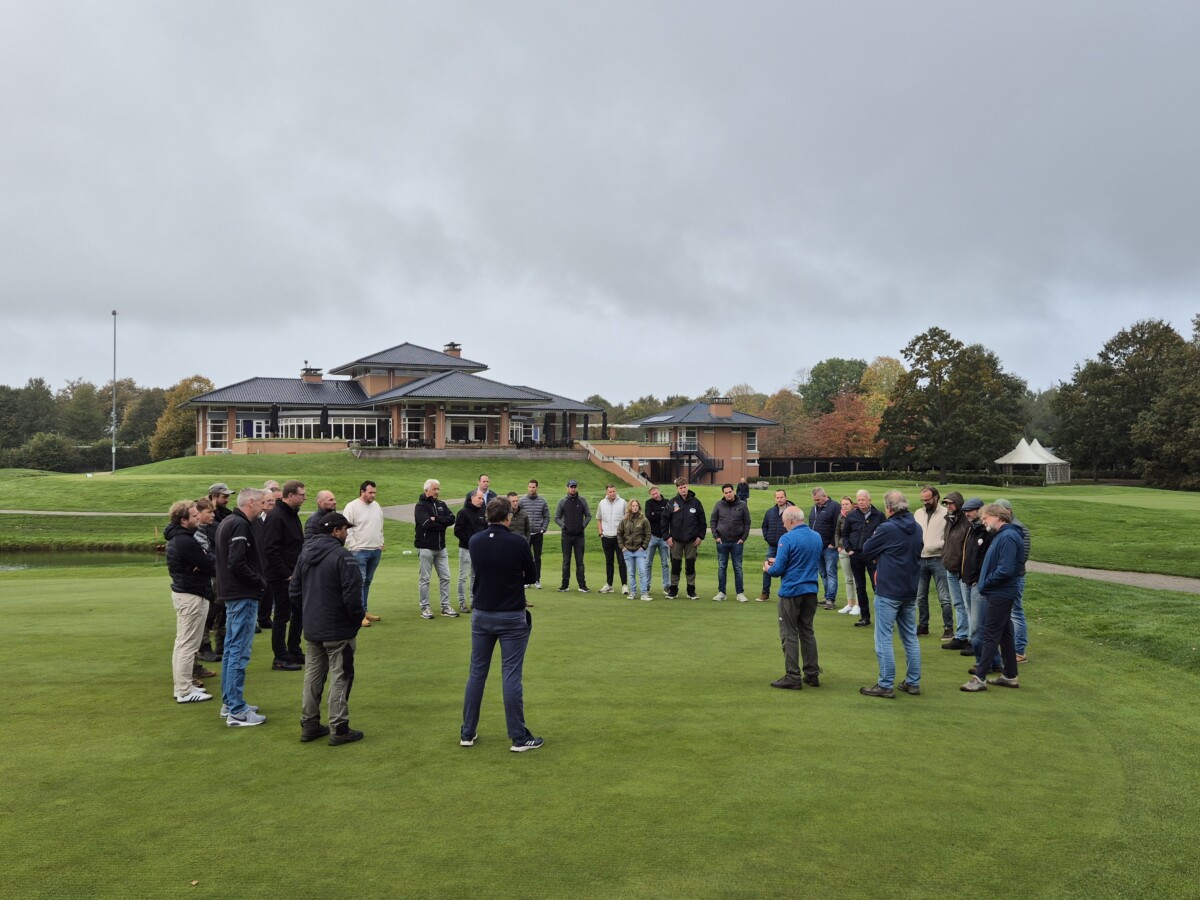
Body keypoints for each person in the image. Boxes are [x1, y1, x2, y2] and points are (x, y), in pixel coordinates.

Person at [460, 497, 543, 752]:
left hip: (482, 614)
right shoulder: (517, 542)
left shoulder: (476, 541)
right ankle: (518, 736)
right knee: (511, 675)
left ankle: (467, 732)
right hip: (510, 615)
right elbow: (532, 574)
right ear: (508, 516)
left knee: (477, 673)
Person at [290, 512, 365, 746]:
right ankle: (339, 727)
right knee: (340, 676)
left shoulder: (305, 555)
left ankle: (309, 724)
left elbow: (294, 591)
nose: (346, 533)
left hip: (313, 627)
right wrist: (355, 620)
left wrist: (307, 615)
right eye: (344, 529)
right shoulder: (343, 556)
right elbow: (352, 597)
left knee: (313, 676)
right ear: (335, 531)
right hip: (338, 629)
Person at [859, 490, 923, 699]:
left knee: (884, 637)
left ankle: (885, 684)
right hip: (910, 587)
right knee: (910, 637)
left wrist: (881, 553)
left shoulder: (887, 528)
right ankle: (913, 682)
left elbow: (867, 549)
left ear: (888, 508)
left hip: (889, 588)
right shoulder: (917, 527)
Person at [214, 487, 268, 726]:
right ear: (251, 503)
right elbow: (236, 562)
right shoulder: (239, 524)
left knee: (231, 649)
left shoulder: (229, 521)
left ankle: (230, 702)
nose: (264, 506)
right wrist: (258, 581)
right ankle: (236, 710)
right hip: (242, 594)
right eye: (262, 502)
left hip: (234, 594)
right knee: (239, 651)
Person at [962, 504, 1024, 692]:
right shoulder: (1003, 535)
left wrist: (985, 582)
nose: (984, 521)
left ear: (998, 516)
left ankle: (979, 677)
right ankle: (1010, 676)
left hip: (1000, 593)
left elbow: (1006, 569)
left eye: (986, 518)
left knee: (990, 634)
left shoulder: (1008, 536)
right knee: (1005, 634)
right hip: (998, 592)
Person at [764, 506, 823, 689]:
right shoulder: (816, 536)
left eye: (784, 522)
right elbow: (805, 559)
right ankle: (812, 674)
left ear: (790, 520)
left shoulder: (787, 538)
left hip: (791, 592)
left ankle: (792, 675)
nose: (783, 525)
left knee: (789, 633)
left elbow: (778, 570)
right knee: (807, 631)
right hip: (811, 590)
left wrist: (768, 568)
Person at [166, 500, 215, 703]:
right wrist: (203, 562)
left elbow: (206, 562)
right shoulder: (185, 541)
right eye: (194, 516)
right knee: (187, 645)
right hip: (191, 595)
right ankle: (185, 690)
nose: (198, 518)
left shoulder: (184, 538)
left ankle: (183, 686)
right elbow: (210, 565)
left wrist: (203, 562)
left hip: (189, 592)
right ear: (183, 520)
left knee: (184, 644)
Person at [264, 480, 306, 671]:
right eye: (301, 495)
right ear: (290, 496)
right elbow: (270, 549)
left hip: (295, 574)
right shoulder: (277, 516)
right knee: (282, 615)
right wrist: (286, 574)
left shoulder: (291, 514)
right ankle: (280, 657)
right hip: (282, 576)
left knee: (298, 612)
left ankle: (294, 650)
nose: (304, 498)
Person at [995, 499, 1032, 662]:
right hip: (1003, 576)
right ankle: (1008, 648)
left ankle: (1019, 651)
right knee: (1006, 613)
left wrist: (1006, 572)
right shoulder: (1002, 527)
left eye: (1000, 511)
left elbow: (1021, 557)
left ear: (1008, 511)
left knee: (1016, 612)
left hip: (1014, 577)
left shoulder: (1019, 527)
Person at [343, 480, 384, 626]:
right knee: (359, 583)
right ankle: (358, 615)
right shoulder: (352, 506)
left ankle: (364, 610)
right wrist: (354, 546)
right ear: (362, 492)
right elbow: (347, 529)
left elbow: (380, 525)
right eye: (370, 492)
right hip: (359, 551)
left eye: (374, 492)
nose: (373, 495)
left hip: (375, 550)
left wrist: (381, 542)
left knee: (367, 581)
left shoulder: (377, 506)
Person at [414, 478, 456, 618]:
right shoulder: (420, 506)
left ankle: (445, 606)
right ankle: (425, 608)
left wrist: (436, 519)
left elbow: (451, 519)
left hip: (441, 548)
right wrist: (440, 523)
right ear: (426, 490)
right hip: (425, 547)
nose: (437, 491)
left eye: (438, 489)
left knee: (445, 577)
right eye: (435, 489)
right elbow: (426, 523)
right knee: (425, 579)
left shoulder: (441, 504)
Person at [842, 489, 884, 627]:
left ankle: (882, 618)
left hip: (872, 556)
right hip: (856, 555)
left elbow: (884, 535)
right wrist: (849, 550)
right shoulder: (852, 516)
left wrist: (878, 553)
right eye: (858, 500)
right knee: (860, 587)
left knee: (877, 586)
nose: (860, 502)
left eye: (863, 500)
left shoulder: (878, 515)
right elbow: (845, 534)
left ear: (869, 500)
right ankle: (865, 617)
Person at [939, 491, 972, 650]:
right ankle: (961, 635)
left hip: (963, 570)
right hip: (950, 568)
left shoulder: (966, 522)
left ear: (959, 504)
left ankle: (973, 639)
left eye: (951, 503)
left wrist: (963, 567)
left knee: (968, 606)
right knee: (958, 604)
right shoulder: (949, 520)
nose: (948, 506)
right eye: (946, 504)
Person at [664, 477, 706, 600]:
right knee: (676, 565)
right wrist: (667, 537)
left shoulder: (696, 502)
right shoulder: (672, 503)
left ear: (687, 486)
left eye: (684, 487)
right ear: (677, 488)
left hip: (692, 541)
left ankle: (691, 591)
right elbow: (664, 521)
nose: (683, 489)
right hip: (676, 540)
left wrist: (700, 536)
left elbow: (702, 522)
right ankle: (673, 590)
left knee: (690, 565)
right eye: (680, 488)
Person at [710, 483, 751, 602]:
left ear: (734, 491)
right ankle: (722, 592)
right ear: (723, 493)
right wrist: (716, 536)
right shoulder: (719, 505)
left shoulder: (742, 505)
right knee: (722, 567)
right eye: (726, 492)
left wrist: (743, 538)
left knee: (738, 567)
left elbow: (747, 522)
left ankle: (740, 593)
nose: (728, 494)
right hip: (722, 541)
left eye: (730, 492)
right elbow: (713, 521)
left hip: (737, 542)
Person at [452, 491, 487, 618]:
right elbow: (458, 531)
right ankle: (462, 602)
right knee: (463, 576)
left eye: (482, 498)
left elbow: (485, 529)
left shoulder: (483, 512)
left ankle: (474, 601)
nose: (481, 500)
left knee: (475, 576)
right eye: (479, 498)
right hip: (466, 549)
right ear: (472, 498)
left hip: (479, 550)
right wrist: (471, 541)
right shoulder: (463, 512)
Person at [555, 479, 591, 592]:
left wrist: (583, 525)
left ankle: (582, 585)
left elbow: (588, 515)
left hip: (579, 536)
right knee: (566, 561)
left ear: (577, 488)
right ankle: (565, 585)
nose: (573, 489)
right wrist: (564, 526)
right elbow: (557, 518)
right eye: (571, 487)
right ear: (567, 488)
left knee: (580, 562)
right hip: (566, 536)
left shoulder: (582, 501)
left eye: (574, 487)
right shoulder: (562, 501)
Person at [759, 490, 794, 602]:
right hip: (773, 545)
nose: (779, 499)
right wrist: (767, 537)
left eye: (781, 497)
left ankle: (787, 593)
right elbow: (764, 526)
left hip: (787, 546)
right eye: (777, 497)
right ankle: (765, 593)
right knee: (766, 568)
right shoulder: (770, 512)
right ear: (775, 499)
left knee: (787, 569)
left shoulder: (792, 511)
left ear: (786, 497)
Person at [809, 488, 841, 610]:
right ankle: (827, 596)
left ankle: (830, 599)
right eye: (814, 500)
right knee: (823, 573)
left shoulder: (834, 506)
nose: (816, 502)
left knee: (831, 573)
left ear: (824, 496)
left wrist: (833, 543)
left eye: (818, 499)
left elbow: (837, 527)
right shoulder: (814, 508)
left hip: (829, 547)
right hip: (817, 547)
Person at [597, 484, 629, 594]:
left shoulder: (623, 502)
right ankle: (609, 585)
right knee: (609, 561)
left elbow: (627, 519)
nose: (612, 493)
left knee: (621, 561)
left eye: (614, 491)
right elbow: (599, 519)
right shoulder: (602, 503)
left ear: (616, 491)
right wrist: (601, 533)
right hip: (606, 537)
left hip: (619, 538)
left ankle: (624, 585)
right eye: (610, 492)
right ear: (607, 492)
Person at [518, 480, 550, 589]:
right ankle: (526, 580)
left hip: (537, 534)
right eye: (530, 487)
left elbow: (547, 516)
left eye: (534, 487)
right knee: (526, 557)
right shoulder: (522, 501)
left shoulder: (542, 501)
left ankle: (537, 579)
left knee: (537, 557)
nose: (532, 489)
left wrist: (543, 529)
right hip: (526, 534)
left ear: (537, 488)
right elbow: (518, 516)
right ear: (527, 488)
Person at [618, 498, 652, 600]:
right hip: (628, 551)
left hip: (639, 550)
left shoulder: (644, 519)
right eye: (633, 506)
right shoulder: (625, 520)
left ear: (639, 507)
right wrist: (622, 546)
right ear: (630, 507)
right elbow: (619, 533)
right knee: (631, 573)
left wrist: (644, 546)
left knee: (642, 572)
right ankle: (632, 592)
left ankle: (644, 593)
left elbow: (648, 534)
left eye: (636, 505)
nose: (635, 507)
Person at [835, 496, 860, 616]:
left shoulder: (857, 515)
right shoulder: (841, 515)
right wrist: (838, 546)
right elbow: (837, 532)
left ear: (852, 504)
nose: (844, 506)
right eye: (842, 504)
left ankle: (858, 605)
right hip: (843, 550)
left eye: (846, 504)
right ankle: (850, 603)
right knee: (848, 579)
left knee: (856, 579)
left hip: (854, 550)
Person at [645, 486, 672, 594]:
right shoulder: (648, 503)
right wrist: (661, 513)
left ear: (659, 492)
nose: (655, 495)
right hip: (652, 536)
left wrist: (655, 513)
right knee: (648, 563)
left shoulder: (667, 502)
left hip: (664, 537)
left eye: (656, 493)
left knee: (665, 563)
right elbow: (648, 516)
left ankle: (666, 586)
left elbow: (669, 516)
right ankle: (646, 586)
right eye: (653, 494)